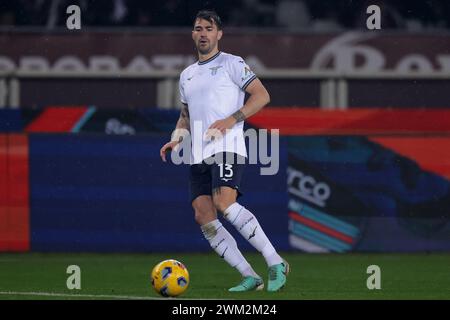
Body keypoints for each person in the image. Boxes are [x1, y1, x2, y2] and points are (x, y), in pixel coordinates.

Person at [159, 10, 289, 292]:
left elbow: (262, 95)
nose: (203, 33)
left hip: (227, 146)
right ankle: (249, 275)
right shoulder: (187, 75)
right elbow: (185, 114)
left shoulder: (232, 63)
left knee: (224, 203)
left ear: (219, 34)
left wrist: (232, 120)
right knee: (203, 215)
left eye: (209, 28)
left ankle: (275, 261)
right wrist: (177, 138)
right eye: (198, 28)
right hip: (198, 154)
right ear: (193, 34)